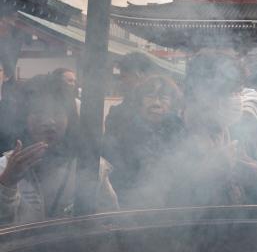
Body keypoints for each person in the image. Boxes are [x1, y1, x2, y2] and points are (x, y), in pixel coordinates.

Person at [0, 74, 118, 224]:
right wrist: (7, 183)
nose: (49, 122)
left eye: (57, 112)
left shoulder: (89, 165)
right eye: (39, 113)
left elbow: (111, 220)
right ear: (23, 118)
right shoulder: (5, 166)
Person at [165, 50, 257, 206]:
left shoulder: (229, 132)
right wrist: (209, 171)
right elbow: (163, 201)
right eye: (229, 92)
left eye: (238, 91)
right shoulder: (170, 134)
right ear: (201, 92)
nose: (236, 99)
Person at [103, 75, 185, 209]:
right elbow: (114, 175)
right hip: (130, 207)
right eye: (150, 97)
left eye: (163, 98)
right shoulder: (123, 131)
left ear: (172, 104)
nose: (156, 103)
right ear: (140, 101)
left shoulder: (179, 130)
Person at [105, 52, 157, 141]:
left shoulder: (161, 112)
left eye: (124, 77)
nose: (121, 82)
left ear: (140, 76)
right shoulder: (117, 112)